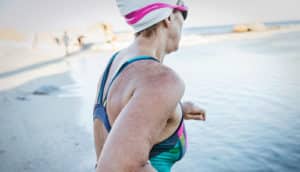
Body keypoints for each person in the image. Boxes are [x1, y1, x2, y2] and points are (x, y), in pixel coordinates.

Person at [93, 0, 206, 171]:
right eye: (183, 12)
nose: (184, 21)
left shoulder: (115, 63)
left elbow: (125, 118)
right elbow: (116, 168)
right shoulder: (161, 80)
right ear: (168, 16)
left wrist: (178, 110)